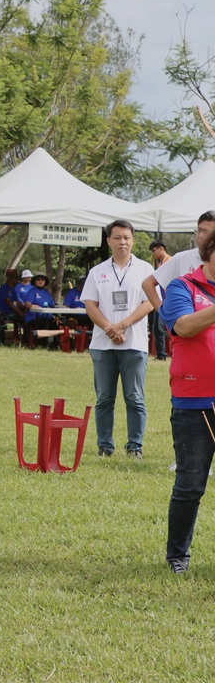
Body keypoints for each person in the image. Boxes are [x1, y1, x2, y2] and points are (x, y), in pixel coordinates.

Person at [160, 230, 215, 574]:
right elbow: (182, 325)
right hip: (196, 402)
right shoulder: (183, 287)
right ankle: (177, 555)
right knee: (191, 483)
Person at [82, 219, 154, 459]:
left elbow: (150, 303)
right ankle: (105, 446)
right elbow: (90, 305)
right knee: (104, 398)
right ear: (108, 241)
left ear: (132, 240)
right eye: (117, 237)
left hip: (134, 343)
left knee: (135, 397)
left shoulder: (145, 270)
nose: (122, 242)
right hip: (103, 344)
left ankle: (135, 447)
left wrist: (122, 325)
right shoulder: (97, 271)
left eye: (127, 237)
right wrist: (108, 328)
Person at [148, 240, 173, 360]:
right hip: (161, 299)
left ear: (161, 248)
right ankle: (161, 354)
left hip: (169, 300)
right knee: (158, 328)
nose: (153, 254)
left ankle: (162, 354)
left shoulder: (170, 261)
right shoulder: (161, 263)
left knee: (161, 328)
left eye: (154, 250)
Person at [22, 273, 57, 344]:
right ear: (34, 281)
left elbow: (52, 305)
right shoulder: (32, 292)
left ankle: (55, 345)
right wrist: (32, 306)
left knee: (58, 324)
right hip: (35, 317)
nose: (40, 281)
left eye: (42, 279)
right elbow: (27, 303)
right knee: (43, 324)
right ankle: (41, 345)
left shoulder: (47, 292)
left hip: (48, 317)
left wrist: (56, 316)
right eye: (38, 279)